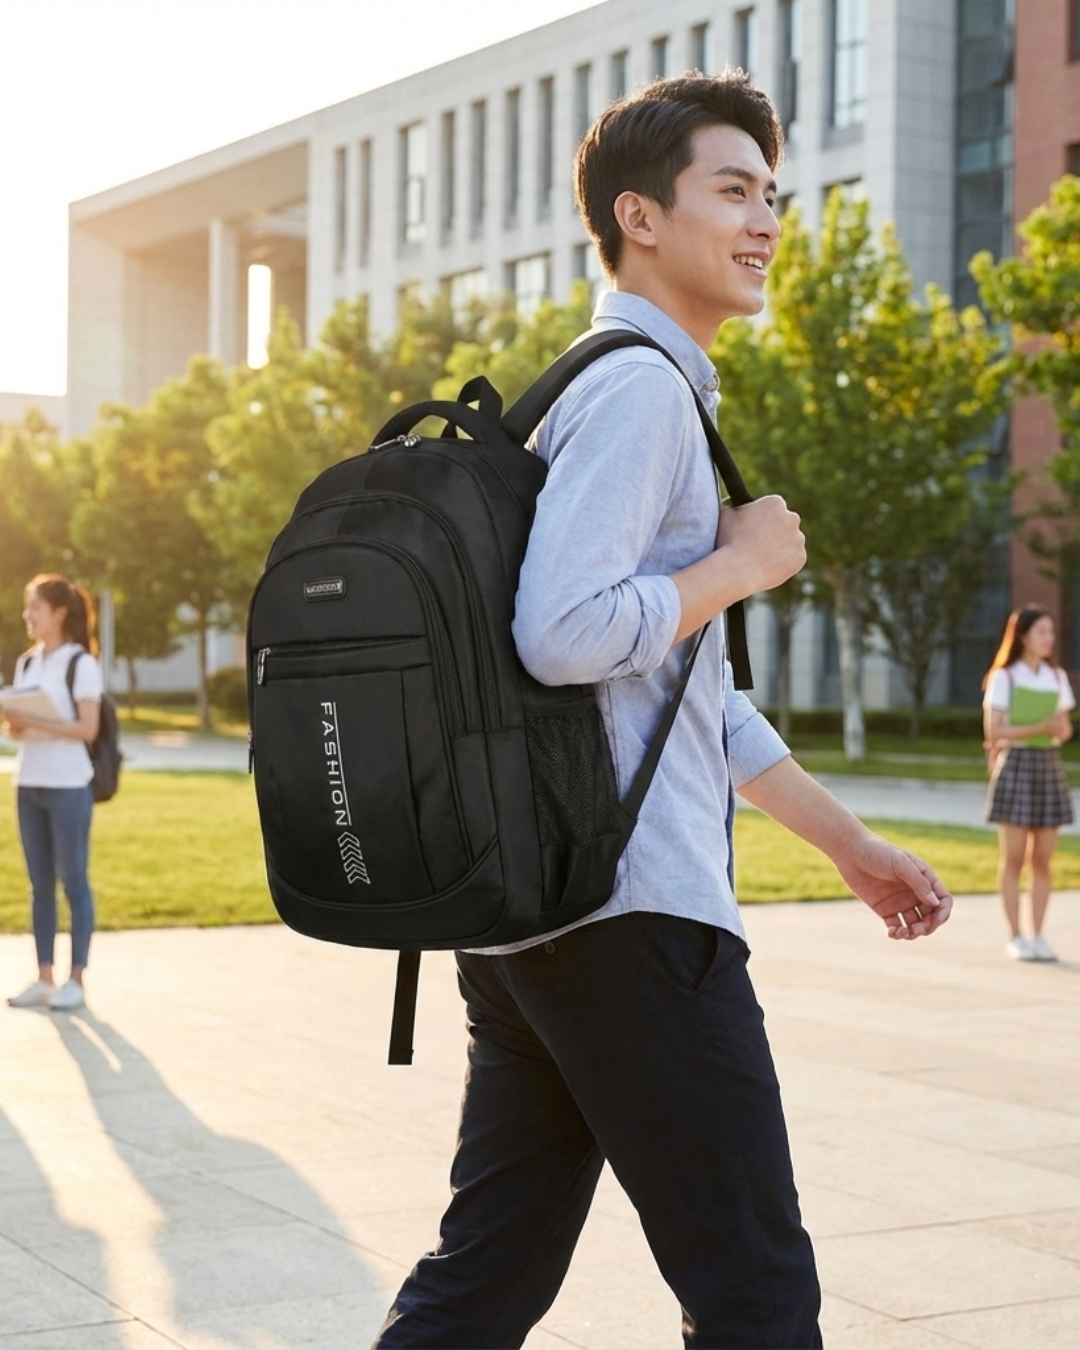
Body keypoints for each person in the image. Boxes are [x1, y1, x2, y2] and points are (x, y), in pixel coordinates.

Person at [373, 73, 953, 1350]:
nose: (765, 222)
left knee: (483, 1280)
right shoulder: (639, 392)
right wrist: (742, 566)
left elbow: (691, 695)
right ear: (639, 215)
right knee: (754, 1291)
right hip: (633, 926)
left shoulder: (601, 386)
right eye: (733, 191)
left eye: (773, 196)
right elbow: (564, 632)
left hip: (542, 919)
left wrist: (850, 846)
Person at [3, 574, 103, 1011]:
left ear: (59, 612)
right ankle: (44, 978)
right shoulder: (28, 663)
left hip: (68, 787)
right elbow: (20, 732)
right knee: (39, 885)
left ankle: (75, 979)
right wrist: (16, 723)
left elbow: (87, 728)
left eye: (34, 608)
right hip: (29, 785)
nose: (28, 616)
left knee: (73, 883)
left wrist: (38, 722)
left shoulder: (81, 663)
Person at [983, 604, 1075, 962]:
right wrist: (1041, 727)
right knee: (1014, 858)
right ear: (1023, 636)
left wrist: (1056, 729)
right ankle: (1016, 935)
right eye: (1042, 633)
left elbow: (1064, 729)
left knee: (1043, 860)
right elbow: (995, 730)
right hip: (1016, 765)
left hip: (1048, 766)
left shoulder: (1055, 677)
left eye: (1051, 633)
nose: (1048, 640)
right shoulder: (1004, 677)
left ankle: (1039, 935)